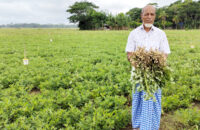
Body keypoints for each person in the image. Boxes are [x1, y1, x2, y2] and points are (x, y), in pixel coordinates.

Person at [125, 5, 171, 130]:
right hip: (139, 74)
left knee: (155, 100)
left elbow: (165, 53)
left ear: (155, 16)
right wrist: (139, 64)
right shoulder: (133, 34)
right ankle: (137, 125)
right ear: (142, 16)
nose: (149, 17)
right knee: (138, 99)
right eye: (146, 14)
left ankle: (152, 126)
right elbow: (129, 54)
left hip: (155, 75)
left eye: (152, 14)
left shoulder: (161, 34)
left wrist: (157, 62)